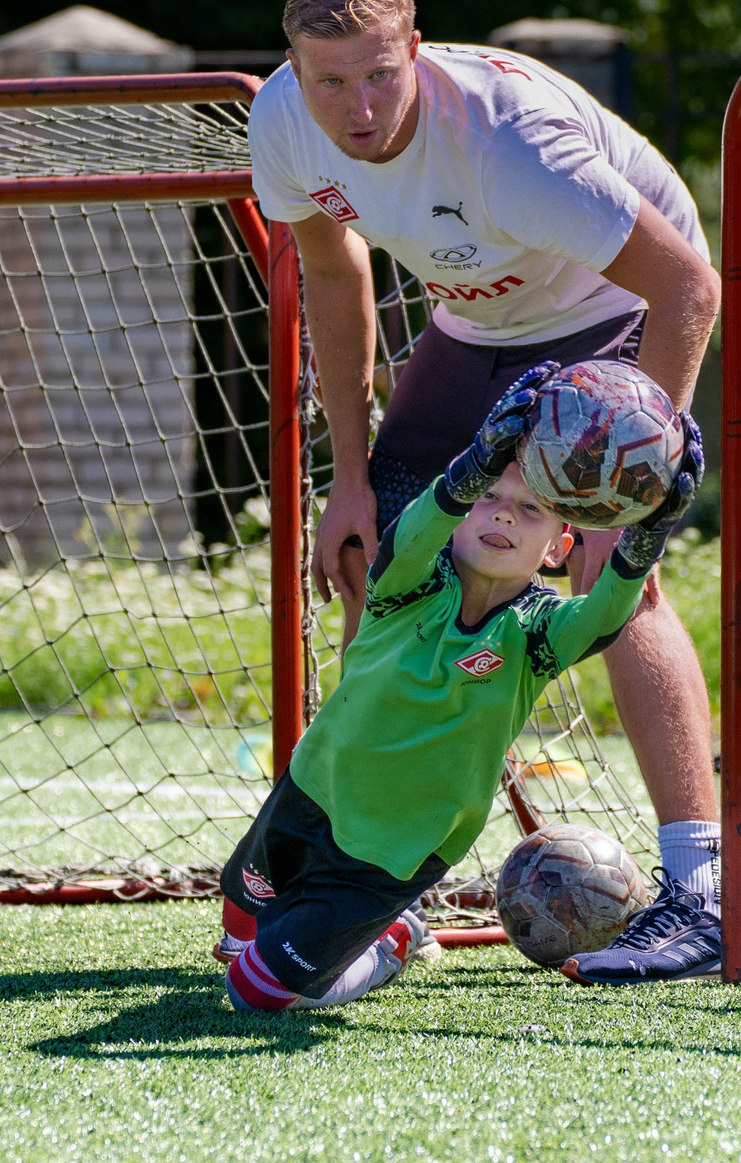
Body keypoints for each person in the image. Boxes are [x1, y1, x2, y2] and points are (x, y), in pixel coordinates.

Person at [245, 0, 727, 985]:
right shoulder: (283, 123)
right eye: (331, 79)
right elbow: (332, 276)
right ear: (293, 67)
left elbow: (688, 286)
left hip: (615, 309)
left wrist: (623, 488)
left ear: (413, 48)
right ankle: (374, 890)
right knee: (381, 552)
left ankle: (705, 896)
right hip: (478, 323)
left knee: (615, 582)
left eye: (381, 72)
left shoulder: (511, 147)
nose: (359, 104)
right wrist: (351, 475)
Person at [219, 371, 702, 1012]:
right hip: (309, 797)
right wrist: (470, 466)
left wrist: (646, 533)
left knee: (254, 990)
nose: (502, 512)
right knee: (238, 935)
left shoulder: (537, 633)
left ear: (560, 547)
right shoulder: (406, 583)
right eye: (486, 498)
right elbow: (418, 527)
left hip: (391, 856)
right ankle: (318, 937)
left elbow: (605, 613)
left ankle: (390, 938)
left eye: (529, 508)